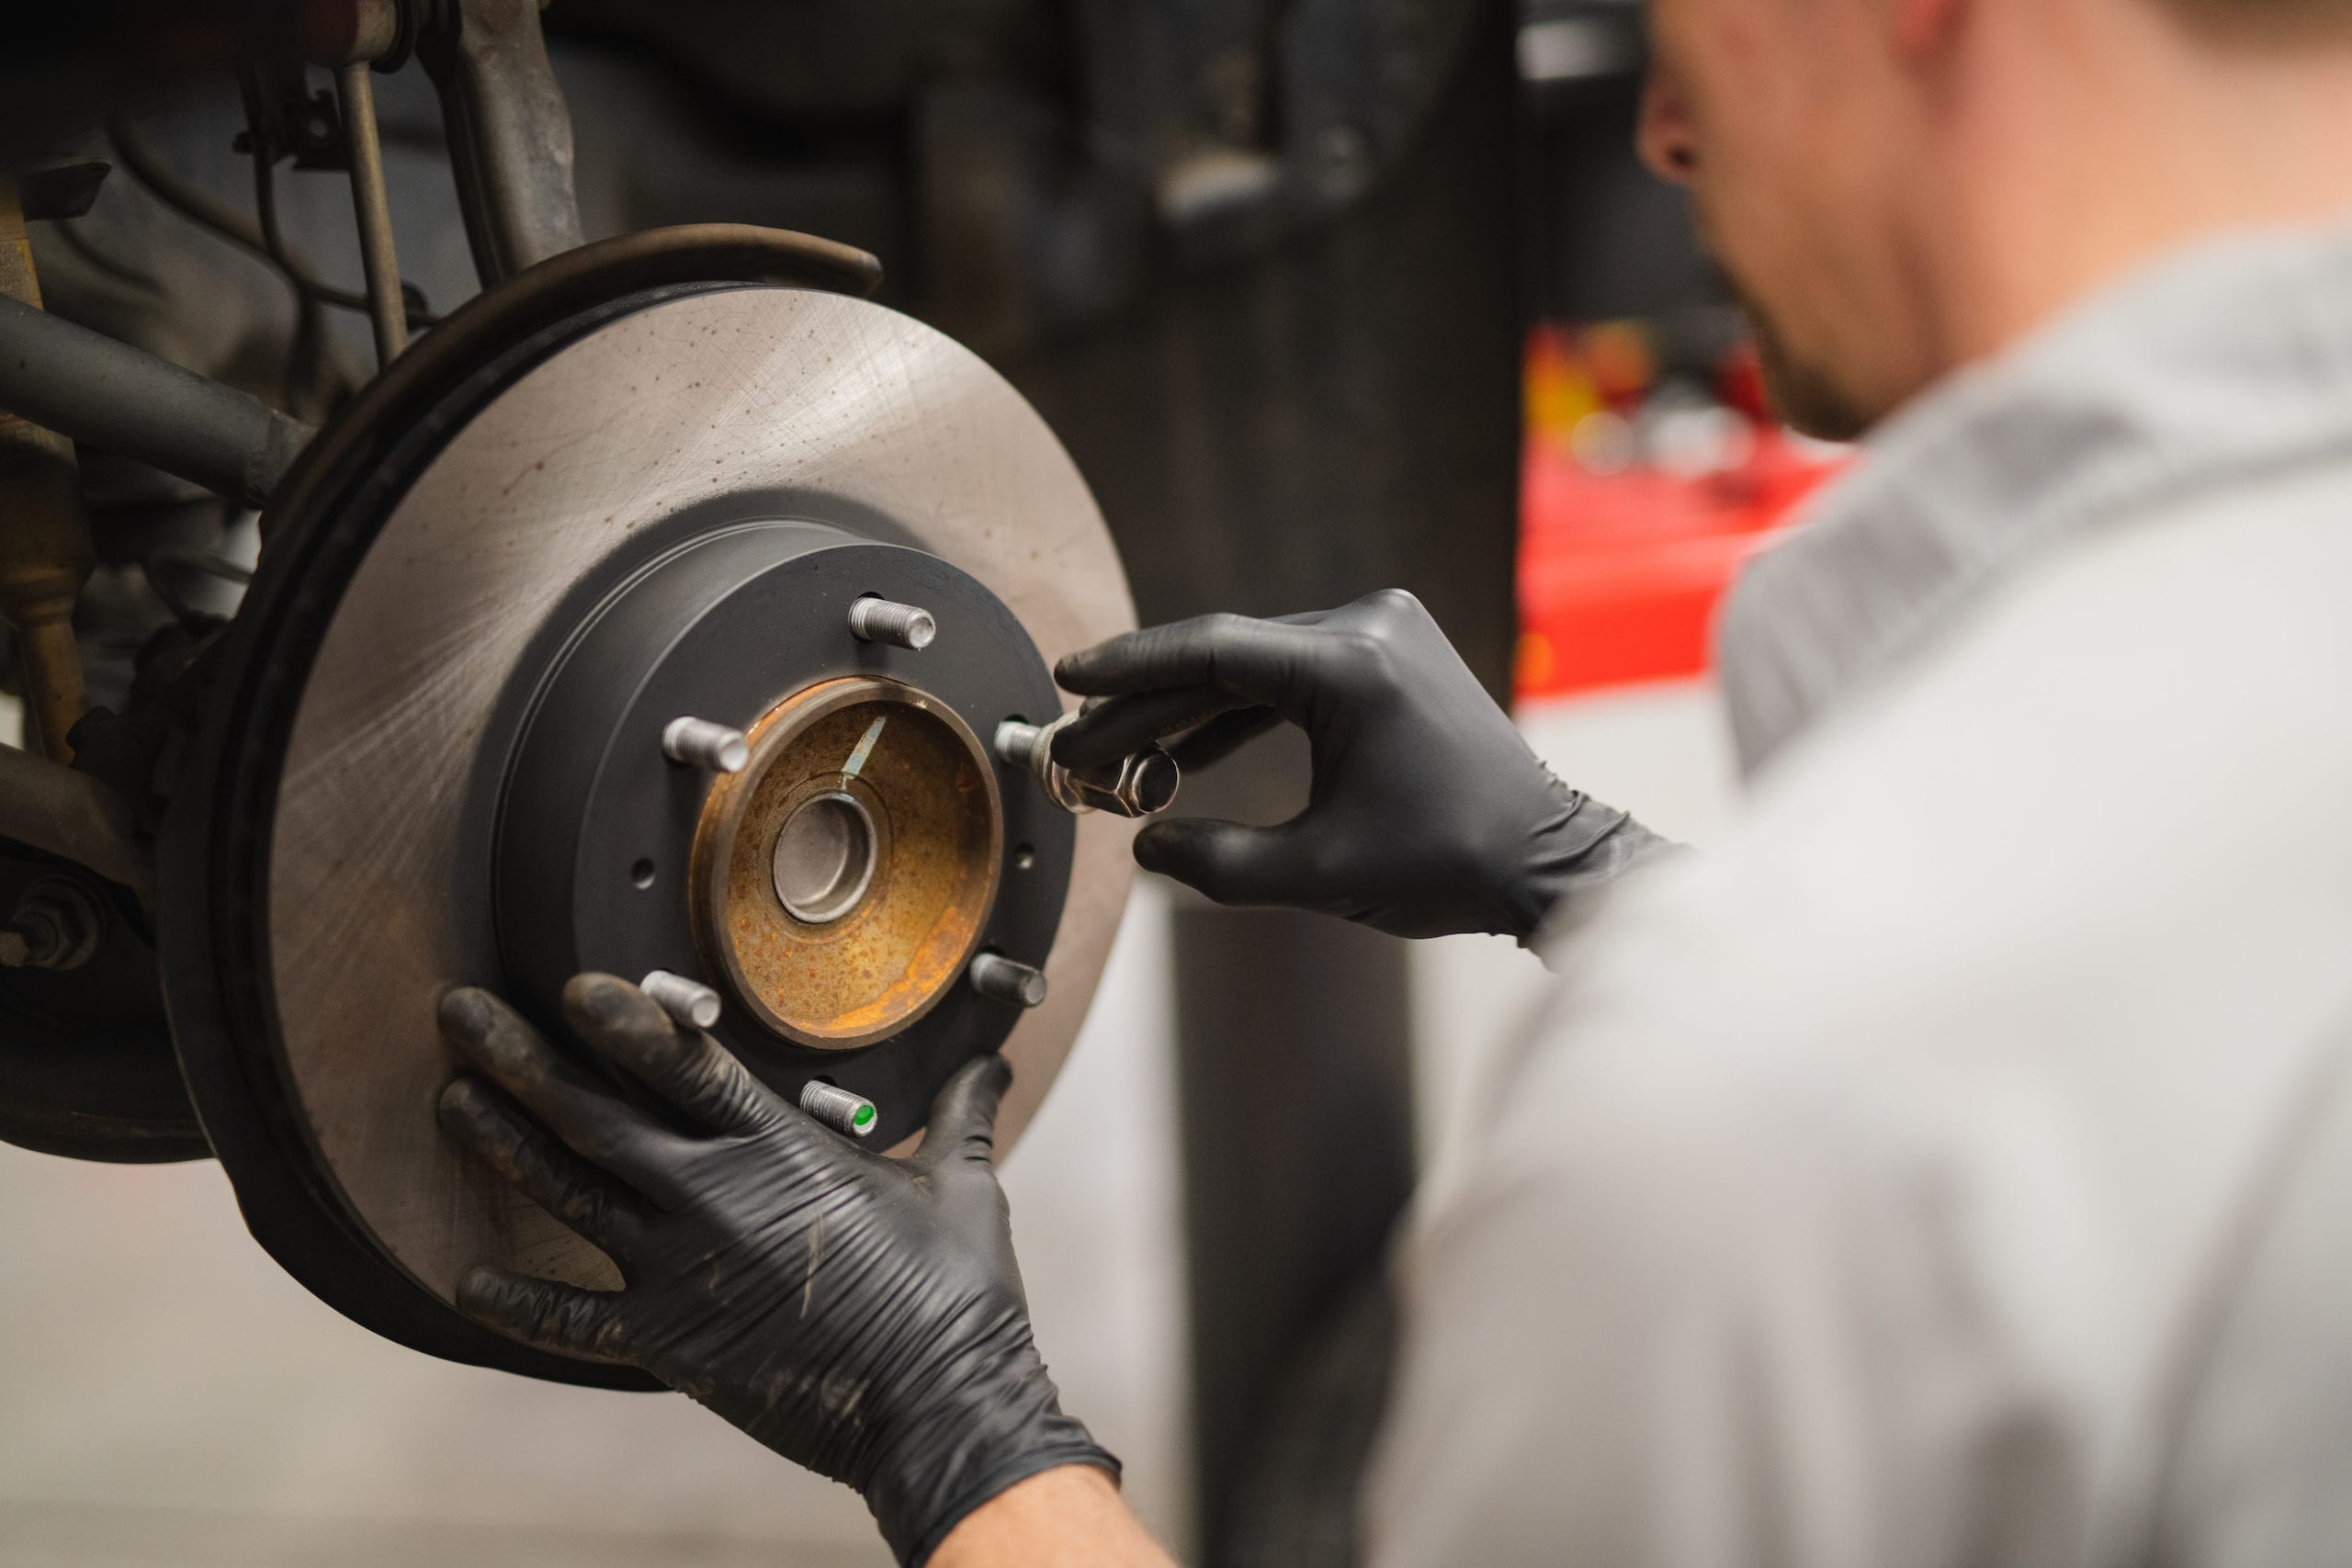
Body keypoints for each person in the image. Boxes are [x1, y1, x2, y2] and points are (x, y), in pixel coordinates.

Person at [433, 0, 2352, 1561]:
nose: (1664, 137)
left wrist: (947, 1422)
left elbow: (1920, 1099)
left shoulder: (1775, 1118)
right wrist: (1597, 879)